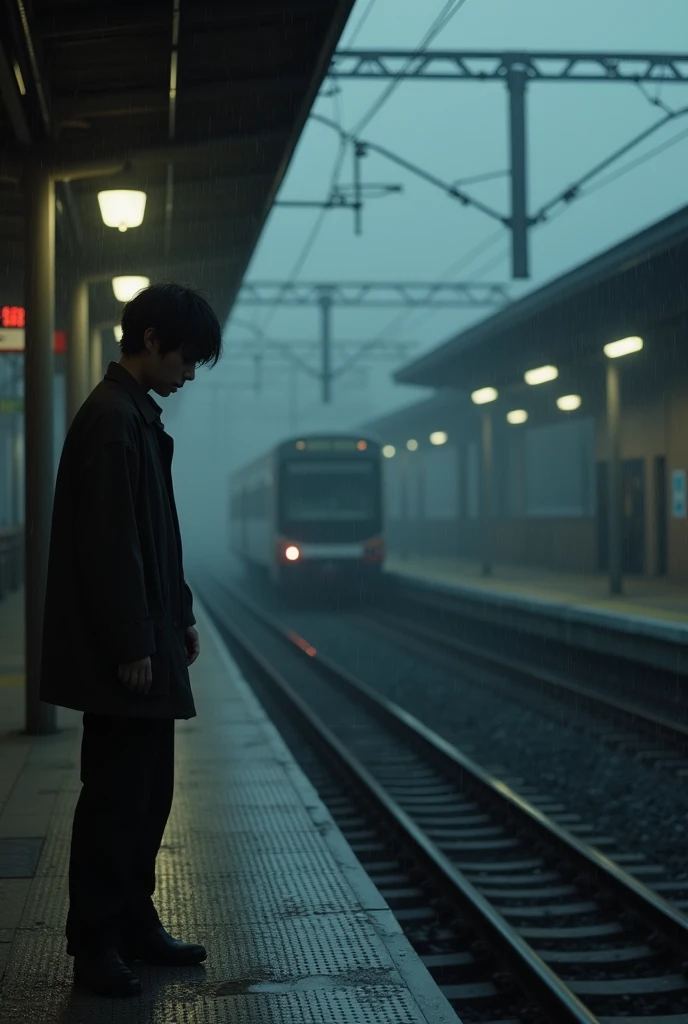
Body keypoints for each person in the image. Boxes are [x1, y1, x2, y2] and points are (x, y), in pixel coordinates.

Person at [40, 282, 222, 998]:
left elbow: (156, 539)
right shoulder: (113, 421)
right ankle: (96, 944)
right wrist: (132, 643)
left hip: (149, 638)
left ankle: (136, 922)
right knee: (117, 797)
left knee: (146, 794)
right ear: (150, 341)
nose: (189, 372)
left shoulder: (133, 416)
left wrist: (177, 612)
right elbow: (111, 544)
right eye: (186, 357)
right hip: (125, 655)